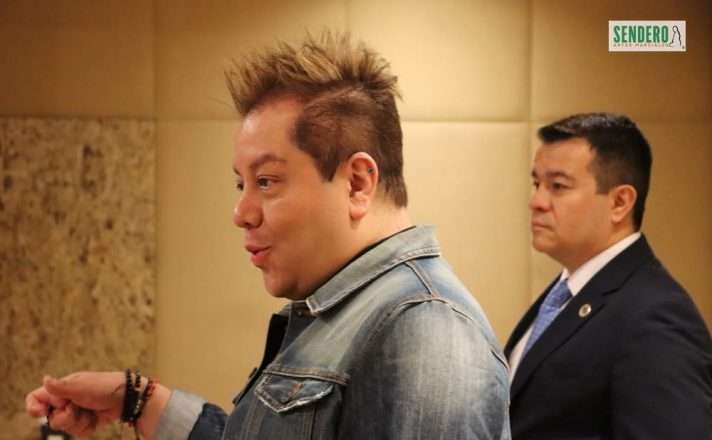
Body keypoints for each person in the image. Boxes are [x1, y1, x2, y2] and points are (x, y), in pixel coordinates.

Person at [26, 32, 511, 440]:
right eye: (241, 184)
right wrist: (139, 400)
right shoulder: (352, 314)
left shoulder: (424, 331)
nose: (241, 213)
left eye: (267, 181)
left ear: (358, 183)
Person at [505, 112, 712, 439]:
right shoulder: (566, 294)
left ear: (619, 202)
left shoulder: (654, 315)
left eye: (558, 186)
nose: (537, 202)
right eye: (537, 184)